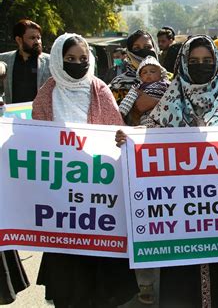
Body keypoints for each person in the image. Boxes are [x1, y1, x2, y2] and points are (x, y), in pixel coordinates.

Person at [117, 35, 218, 308]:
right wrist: (131, 137)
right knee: (182, 292)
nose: (201, 66)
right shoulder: (168, 103)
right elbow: (151, 140)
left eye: (208, 61)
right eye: (194, 61)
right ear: (184, 65)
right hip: (182, 223)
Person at [32, 33, 138, 307]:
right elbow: (35, 140)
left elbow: (118, 132)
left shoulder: (100, 90)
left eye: (82, 58)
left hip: (98, 197)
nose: (77, 64)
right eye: (70, 59)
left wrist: (122, 138)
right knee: (70, 285)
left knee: (101, 286)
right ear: (58, 59)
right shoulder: (46, 94)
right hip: (61, 200)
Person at [109, 30, 162, 126]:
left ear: (155, 49)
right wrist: (135, 112)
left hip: (165, 138)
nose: (143, 51)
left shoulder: (169, 80)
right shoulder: (118, 84)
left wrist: (154, 103)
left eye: (148, 47)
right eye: (136, 48)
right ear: (129, 53)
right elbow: (111, 118)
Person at [0, 19, 50, 104]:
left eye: (39, 38)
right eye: (32, 38)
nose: (37, 42)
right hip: (12, 114)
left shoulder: (50, 62)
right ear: (19, 40)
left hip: (39, 115)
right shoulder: (4, 59)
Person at [119, 55, 169, 127]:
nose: (148, 73)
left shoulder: (168, 85)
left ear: (161, 74)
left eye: (152, 71)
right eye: (144, 72)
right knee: (147, 129)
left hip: (164, 114)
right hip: (146, 115)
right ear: (140, 77)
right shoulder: (138, 87)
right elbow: (129, 99)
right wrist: (121, 112)